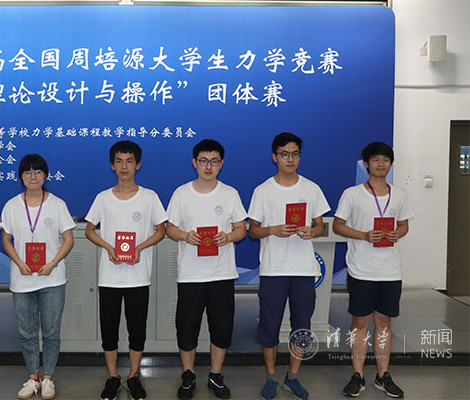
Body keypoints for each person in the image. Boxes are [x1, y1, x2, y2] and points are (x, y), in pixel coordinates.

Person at [248, 132, 330, 400]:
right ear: (275, 157)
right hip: (273, 269)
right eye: (284, 154)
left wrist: (311, 231)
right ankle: (271, 376)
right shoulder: (263, 191)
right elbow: (253, 230)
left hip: (303, 269)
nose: (290, 159)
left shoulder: (311, 189)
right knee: (269, 326)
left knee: (302, 326)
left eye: (295, 154)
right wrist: (273, 229)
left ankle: (293, 376)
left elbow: (320, 226)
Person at [84, 140, 167, 400]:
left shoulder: (149, 197)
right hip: (109, 276)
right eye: (119, 161)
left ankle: (133, 376)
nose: (124, 166)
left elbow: (161, 230)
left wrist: (140, 247)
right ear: (112, 165)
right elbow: (89, 230)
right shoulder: (103, 198)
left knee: (137, 329)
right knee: (109, 330)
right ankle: (112, 376)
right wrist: (108, 247)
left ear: (138, 164)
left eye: (129, 161)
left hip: (138, 276)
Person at [166, 139, 247, 400]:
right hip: (190, 274)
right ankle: (188, 375)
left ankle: (215, 374)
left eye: (214, 161)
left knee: (221, 327)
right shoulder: (181, 193)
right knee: (187, 328)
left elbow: (241, 228)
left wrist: (228, 236)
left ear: (221, 164)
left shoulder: (229, 193)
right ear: (194, 162)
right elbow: (169, 228)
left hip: (222, 274)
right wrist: (185, 236)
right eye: (203, 160)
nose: (208, 166)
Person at [333, 142, 413, 399]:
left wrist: (397, 233)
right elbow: (338, 225)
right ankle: (357, 375)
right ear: (366, 163)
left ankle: (382, 375)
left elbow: (404, 225)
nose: (381, 164)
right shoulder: (352, 194)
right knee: (359, 323)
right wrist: (364, 235)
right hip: (361, 270)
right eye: (376, 159)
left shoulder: (399, 194)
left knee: (384, 324)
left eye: (385, 160)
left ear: (391, 164)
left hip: (390, 270)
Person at [0, 154, 75, 400]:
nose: (33, 176)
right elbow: (6, 239)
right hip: (22, 278)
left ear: (45, 175)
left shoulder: (57, 204)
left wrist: (53, 263)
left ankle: (48, 378)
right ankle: (33, 378)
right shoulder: (12, 206)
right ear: (21, 176)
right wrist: (19, 262)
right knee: (27, 332)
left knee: (51, 331)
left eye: (38, 172)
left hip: (52, 278)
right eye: (28, 172)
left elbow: (68, 239)